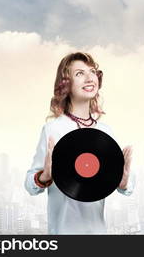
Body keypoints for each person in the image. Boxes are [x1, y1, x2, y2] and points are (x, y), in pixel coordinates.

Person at [24, 52, 135, 234]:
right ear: (65, 85)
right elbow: (29, 184)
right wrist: (44, 176)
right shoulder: (52, 130)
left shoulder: (105, 132)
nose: (89, 77)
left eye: (92, 71)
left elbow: (127, 185)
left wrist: (123, 182)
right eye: (79, 73)